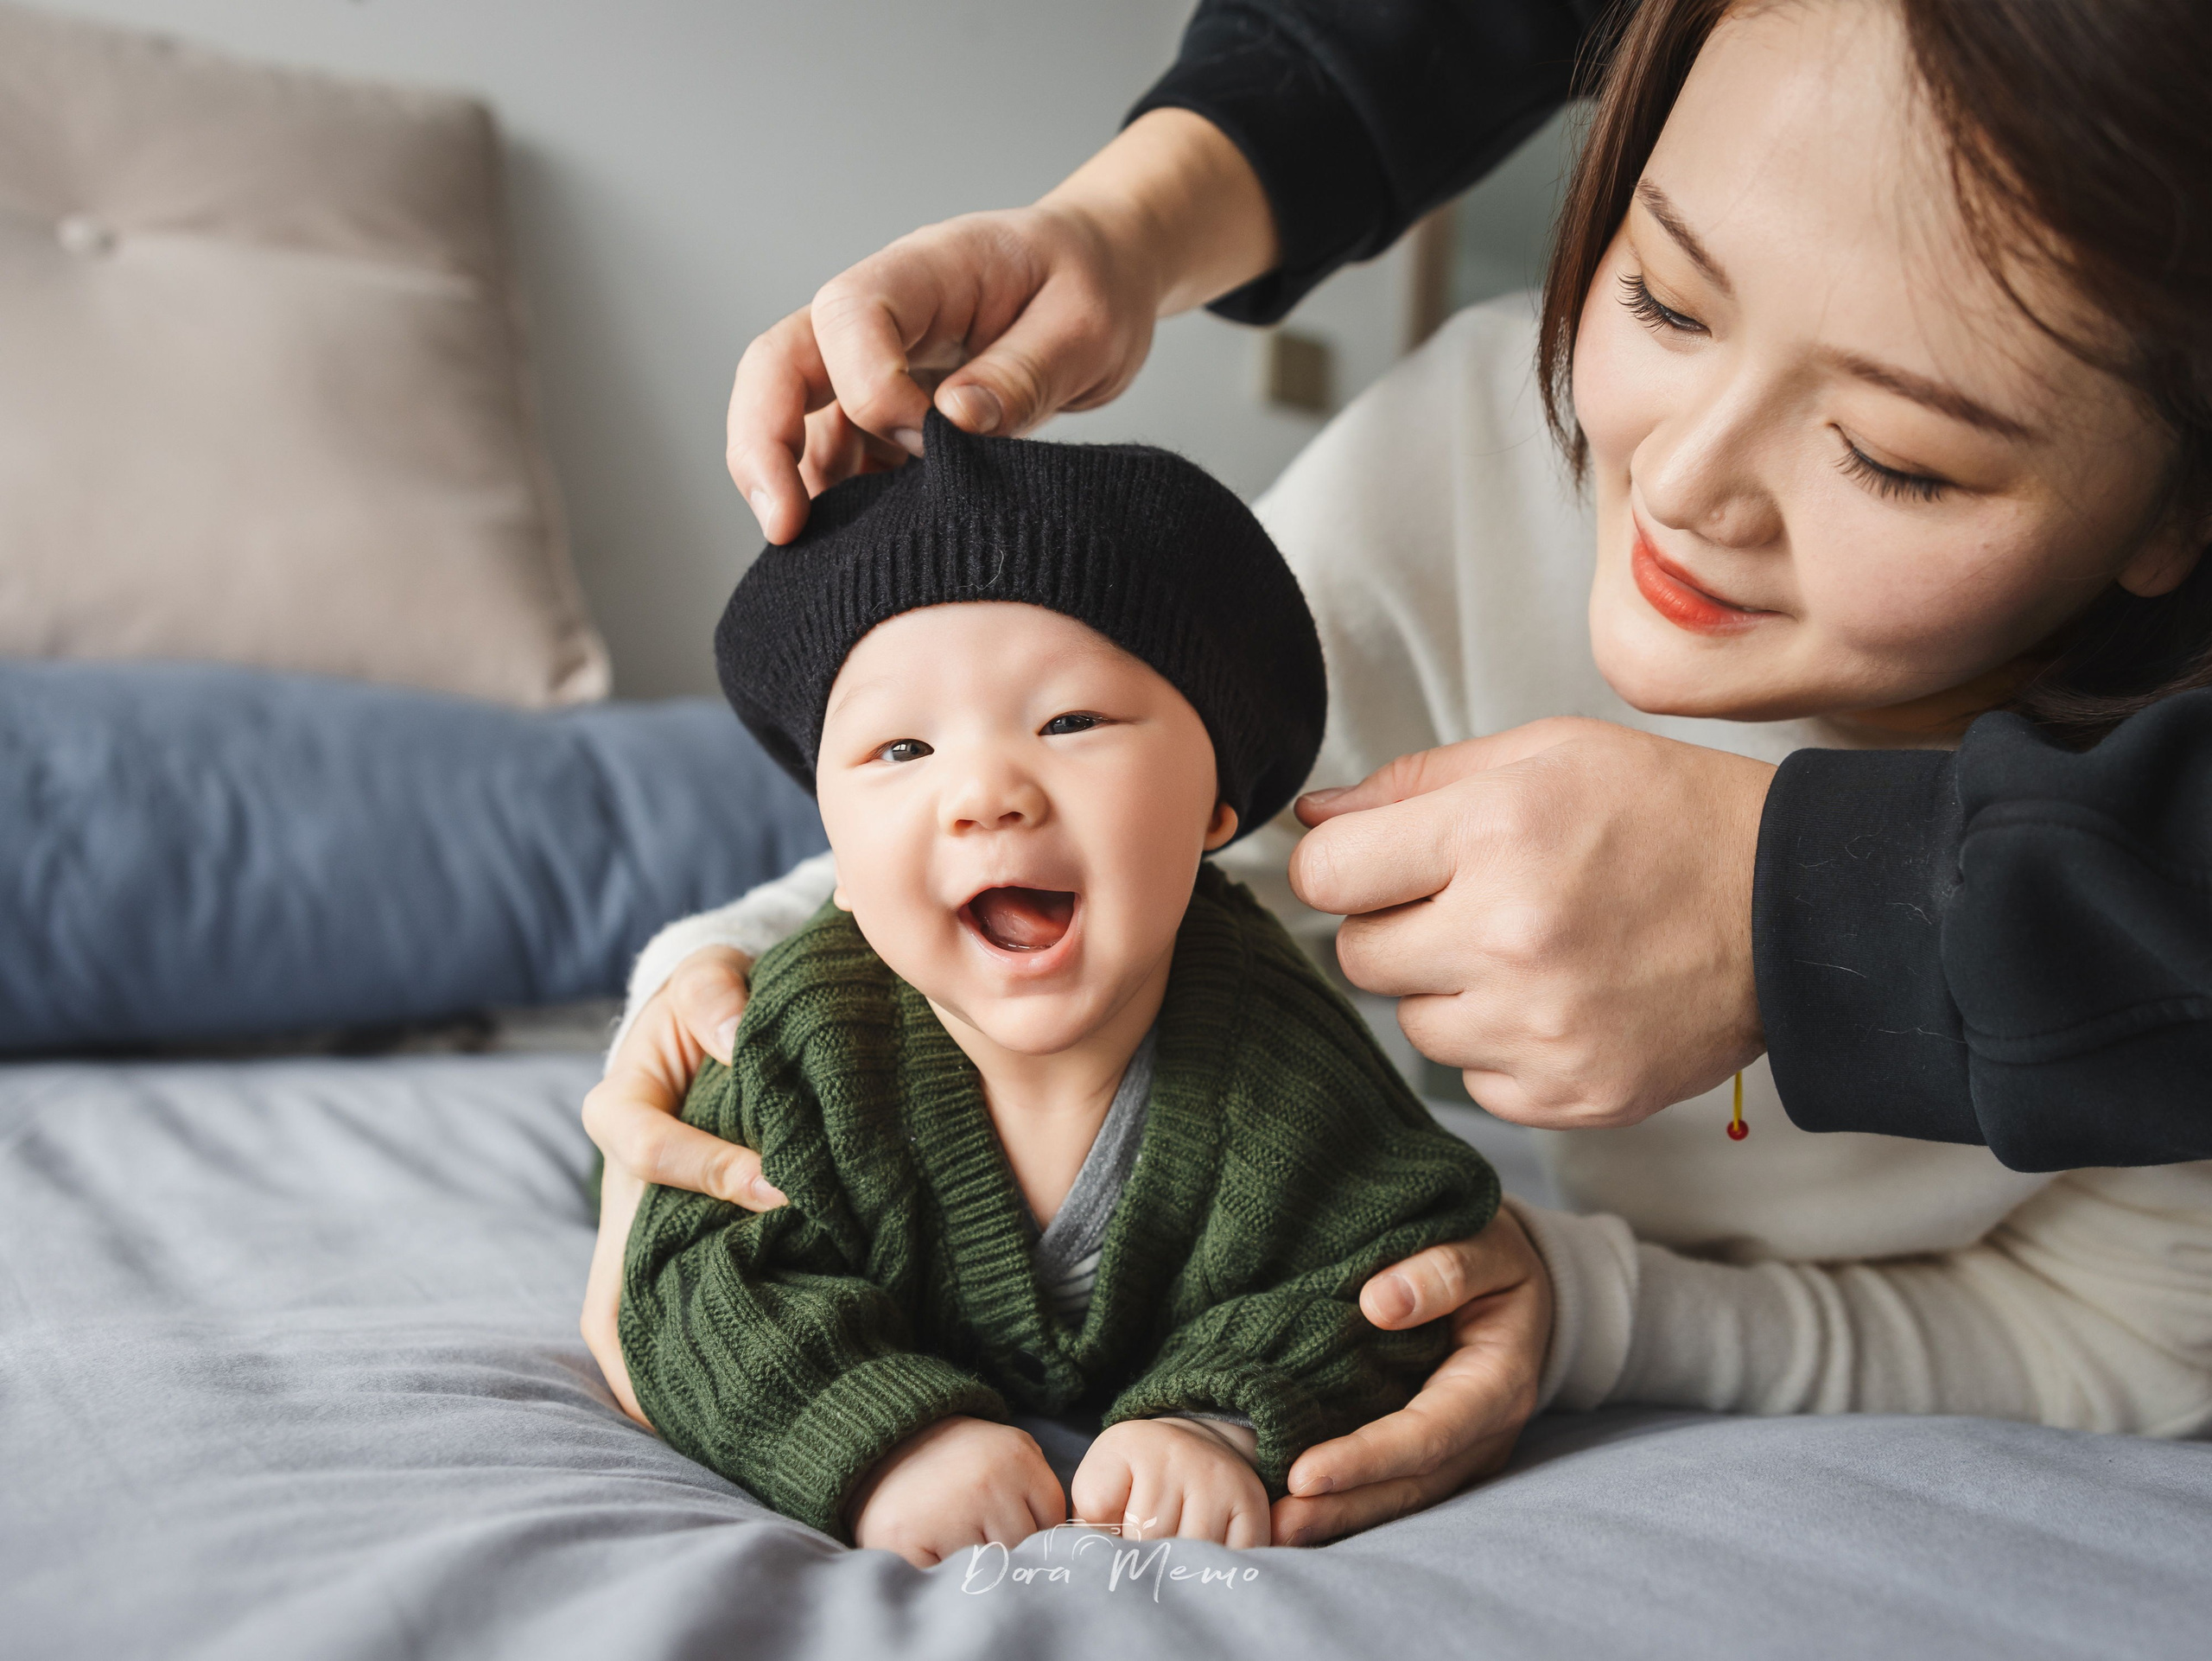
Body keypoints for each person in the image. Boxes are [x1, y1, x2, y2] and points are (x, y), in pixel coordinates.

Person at [587, 0, 2212, 1542]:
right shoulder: (1469, 461)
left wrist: (1588, 1298)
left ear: (2174, 518)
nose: (1685, 483)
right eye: (1662, 296)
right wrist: (701, 1003)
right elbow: (1090, 835)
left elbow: (2128, 1337)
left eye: (1896, 459)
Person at [618, 413, 1500, 1565]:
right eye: (901, 751)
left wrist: (1216, 1418)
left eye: (1070, 720)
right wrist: (891, 1441)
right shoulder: (802, 1043)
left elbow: (1384, 1263)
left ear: (1217, 806)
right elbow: (702, 1282)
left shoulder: (1272, 1045)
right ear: (831, 832)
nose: (986, 791)